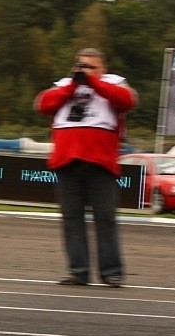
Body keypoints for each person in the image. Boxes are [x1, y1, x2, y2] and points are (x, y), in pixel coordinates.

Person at [34, 47, 137, 288]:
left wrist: (93, 82)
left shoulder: (115, 84)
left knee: (105, 218)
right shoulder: (63, 86)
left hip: (100, 162)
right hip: (67, 161)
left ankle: (111, 272)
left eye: (91, 67)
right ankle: (78, 271)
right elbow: (43, 104)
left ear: (103, 69)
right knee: (71, 219)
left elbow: (127, 100)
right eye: (81, 66)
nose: (85, 71)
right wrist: (73, 85)